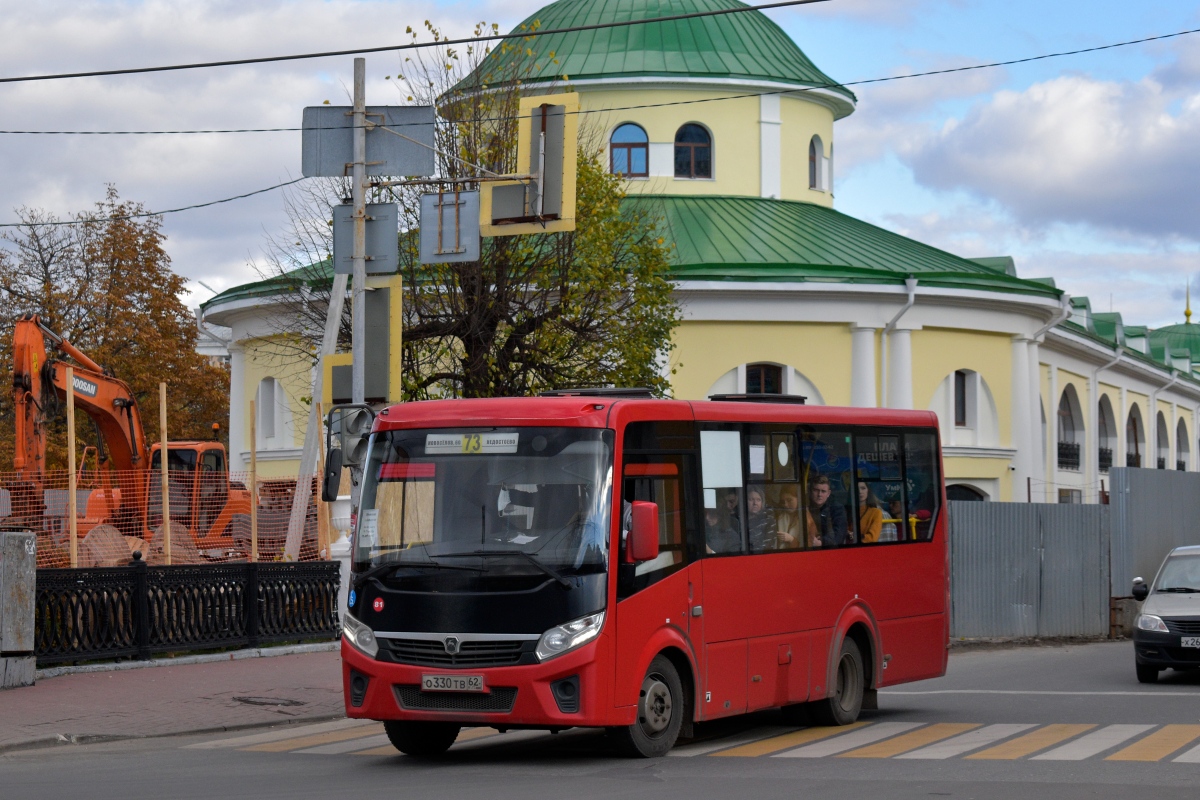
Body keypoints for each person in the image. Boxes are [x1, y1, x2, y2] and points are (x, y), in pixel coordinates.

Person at [806, 475, 848, 548]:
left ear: (828, 493)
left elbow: (838, 535)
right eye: (816, 490)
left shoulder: (837, 509)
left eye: (823, 491)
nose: (819, 495)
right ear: (810, 491)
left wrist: (821, 542)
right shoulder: (805, 506)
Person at [745, 485, 778, 552]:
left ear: (762, 502)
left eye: (758, 500)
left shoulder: (769, 521)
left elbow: (767, 546)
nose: (755, 503)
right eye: (751, 499)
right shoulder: (739, 520)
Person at [774, 484, 801, 549]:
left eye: (789, 500)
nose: (785, 505)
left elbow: (808, 544)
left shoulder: (805, 518)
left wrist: (791, 539)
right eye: (783, 501)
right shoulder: (778, 516)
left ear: (798, 499)